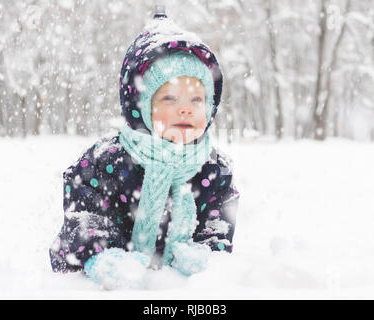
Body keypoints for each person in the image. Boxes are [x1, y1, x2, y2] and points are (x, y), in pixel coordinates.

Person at [49, 8, 240, 290]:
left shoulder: (214, 168)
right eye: (170, 97)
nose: (185, 109)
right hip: (119, 281)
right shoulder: (109, 160)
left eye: (197, 99)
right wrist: (102, 255)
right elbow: (84, 208)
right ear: (143, 106)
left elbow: (219, 219)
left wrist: (205, 251)